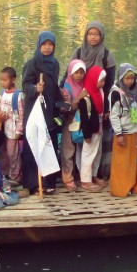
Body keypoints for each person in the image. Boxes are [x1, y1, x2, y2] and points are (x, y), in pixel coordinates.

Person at [20, 31, 63, 195]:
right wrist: (35, 89)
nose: (47, 47)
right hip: (35, 110)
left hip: (49, 109)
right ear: (39, 45)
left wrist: (60, 96)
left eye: (50, 44)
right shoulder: (32, 63)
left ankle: (48, 180)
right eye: (44, 44)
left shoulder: (55, 64)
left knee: (48, 143)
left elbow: (54, 86)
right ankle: (32, 182)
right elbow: (25, 86)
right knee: (33, 143)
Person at [107, 64, 137, 198]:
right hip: (124, 133)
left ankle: (136, 185)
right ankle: (121, 188)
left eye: (132, 78)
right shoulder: (116, 94)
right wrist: (118, 134)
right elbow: (114, 115)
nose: (130, 81)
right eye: (127, 78)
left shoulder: (136, 92)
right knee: (123, 162)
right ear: (121, 78)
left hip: (136, 131)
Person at [58, 59, 90, 191]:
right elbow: (68, 107)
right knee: (68, 149)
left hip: (82, 120)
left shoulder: (86, 85)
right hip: (70, 121)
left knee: (82, 148)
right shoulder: (66, 88)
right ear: (71, 72)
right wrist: (79, 98)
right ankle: (67, 177)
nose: (79, 75)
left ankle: (80, 174)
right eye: (77, 72)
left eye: (82, 72)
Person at [76, 66, 109, 191]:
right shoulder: (86, 96)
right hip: (91, 130)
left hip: (98, 128)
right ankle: (85, 180)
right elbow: (84, 118)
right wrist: (87, 135)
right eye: (101, 80)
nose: (103, 83)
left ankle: (93, 175)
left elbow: (100, 109)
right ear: (94, 79)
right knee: (88, 154)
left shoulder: (99, 92)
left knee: (97, 153)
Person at [0, 67, 24, 184]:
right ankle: (4, 174)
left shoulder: (19, 95)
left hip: (13, 131)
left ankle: (16, 177)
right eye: (1, 80)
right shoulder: (2, 93)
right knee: (3, 153)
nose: (2, 82)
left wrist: (19, 130)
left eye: (5, 80)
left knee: (13, 154)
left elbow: (22, 114)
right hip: (3, 129)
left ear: (13, 80)